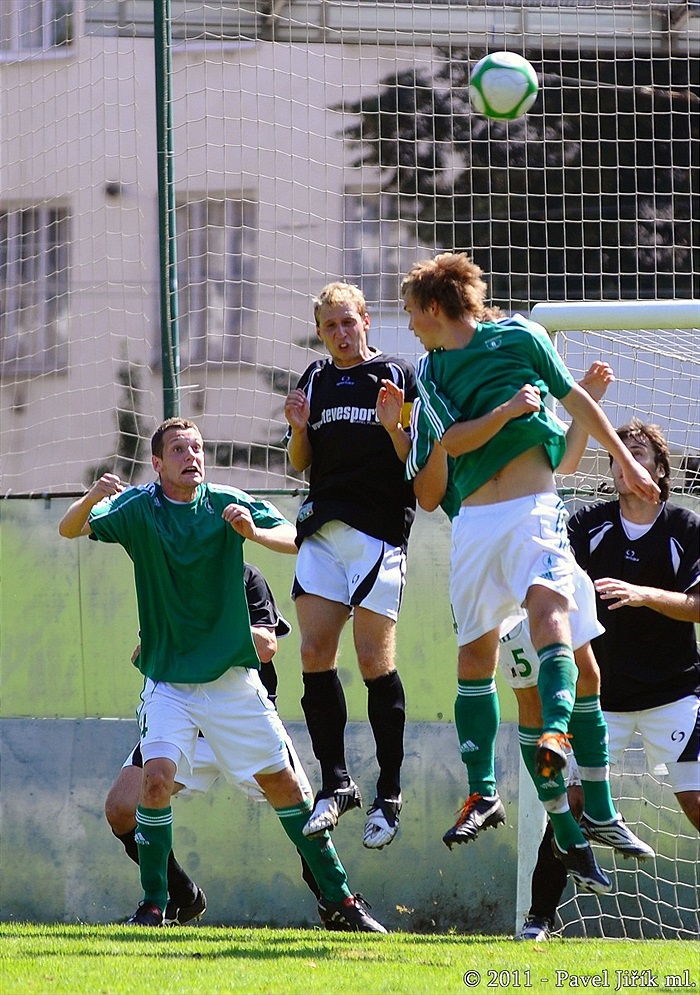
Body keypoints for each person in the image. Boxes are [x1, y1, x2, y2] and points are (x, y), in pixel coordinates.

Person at [58, 417, 387, 931]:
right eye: (179, 449)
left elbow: (295, 537)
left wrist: (253, 532)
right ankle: (156, 904)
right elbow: (71, 528)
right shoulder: (138, 508)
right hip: (169, 686)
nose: (192, 456)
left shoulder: (227, 504)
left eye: (198, 447)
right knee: (154, 782)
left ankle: (342, 900)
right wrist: (92, 494)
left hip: (234, 687)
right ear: (158, 463)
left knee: (289, 792)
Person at [400, 252, 659, 895]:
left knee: (557, 625)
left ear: (434, 307)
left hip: (535, 513)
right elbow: (448, 444)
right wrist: (508, 415)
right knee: (475, 659)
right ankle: (488, 794)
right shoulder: (430, 370)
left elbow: (575, 400)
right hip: (474, 529)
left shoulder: (522, 334)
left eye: (409, 312)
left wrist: (624, 460)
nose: (408, 325)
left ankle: (565, 753)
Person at [516, 417, 699, 940]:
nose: (626, 459)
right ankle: (538, 919)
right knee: (569, 806)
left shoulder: (686, 528)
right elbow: (549, 585)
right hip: (599, 701)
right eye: (617, 452)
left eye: (637, 451)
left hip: (675, 694)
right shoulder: (586, 525)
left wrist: (644, 595)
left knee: (696, 803)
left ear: (660, 470)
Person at [104, 563, 325, 927]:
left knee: (307, 817)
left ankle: (336, 900)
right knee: (121, 808)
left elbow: (266, 645)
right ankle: (181, 896)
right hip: (182, 722)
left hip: (242, 722)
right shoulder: (166, 579)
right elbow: (145, 652)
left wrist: (202, 637)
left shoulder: (244, 577)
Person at [283, 282, 417, 851]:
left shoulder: (399, 374)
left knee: (370, 659)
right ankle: (335, 784)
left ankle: (389, 790)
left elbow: (417, 458)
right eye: (330, 326)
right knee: (314, 654)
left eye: (349, 322)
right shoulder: (312, 378)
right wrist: (296, 428)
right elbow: (298, 463)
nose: (340, 333)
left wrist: (393, 425)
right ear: (320, 331)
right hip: (320, 528)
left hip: (379, 532)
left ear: (366, 321)